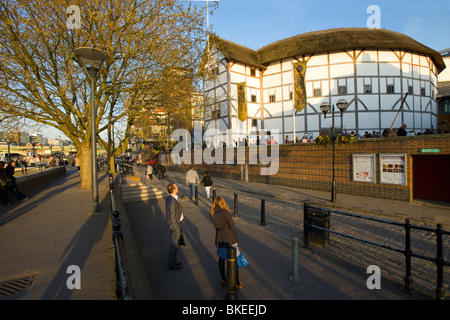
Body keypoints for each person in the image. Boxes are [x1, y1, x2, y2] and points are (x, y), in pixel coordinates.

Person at [210, 196, 242, 289]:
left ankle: (223, 279)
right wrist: (236, 240)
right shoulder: (226, 213)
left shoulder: (212, 213)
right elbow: (233, 227)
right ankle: (236, 282)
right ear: (223, 203)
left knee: (221, 258)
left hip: (219, 238)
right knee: (233, 260)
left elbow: (216, 227)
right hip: (229, 238)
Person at [166, 183, 184, 270]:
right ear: (173, 189)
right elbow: (172, 216)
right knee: (174, 245)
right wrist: (176, 226)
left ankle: (173, 261)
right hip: (175, 225)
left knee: (176, 244)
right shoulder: (172, 201)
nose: (177, 187)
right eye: (176, 186)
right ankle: (171, 264)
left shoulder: (171, 197)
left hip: (177, 223)